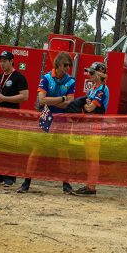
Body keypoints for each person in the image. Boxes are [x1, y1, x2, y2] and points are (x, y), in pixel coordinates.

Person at [19, 51, 77, 194]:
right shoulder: (45, 78)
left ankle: (66, 184)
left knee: (63, 152)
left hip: (62, 119)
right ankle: (26, 182)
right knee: (37, 150)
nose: (68, 68)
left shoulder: (71, 81)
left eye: (69, 65)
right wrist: (62, 99)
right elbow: (42, 100)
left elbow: (70, 104)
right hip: (46, 117)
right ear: (57, 64)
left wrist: (57, 101)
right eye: (65, 65)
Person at [0, 50, 29, 187]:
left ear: (11, 61)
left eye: (5, 61)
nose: (2, 63)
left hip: (12, 117)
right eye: (0, 61)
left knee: (10, 146)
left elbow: (24, 96)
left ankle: (10, 176)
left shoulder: (19, 77)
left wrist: (4, 98)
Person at [72, 61, 109, 196]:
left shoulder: (102, 89)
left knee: (93, 158)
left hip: (96, 127)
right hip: (89, 125)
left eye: (92, 73)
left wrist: (84, 105)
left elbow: (90, 107)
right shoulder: (93, 88)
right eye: (89, 72)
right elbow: (87, 105)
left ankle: (92, 187)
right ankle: (88, 184)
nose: (89, 75)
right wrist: (85, 105)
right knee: (89, 157)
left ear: (99, 74)